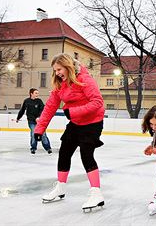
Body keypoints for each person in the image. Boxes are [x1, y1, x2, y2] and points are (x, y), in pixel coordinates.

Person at [34, 53, 105, 212]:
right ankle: (60, 188)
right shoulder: (60, 85)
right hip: (75, 122)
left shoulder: (85, 80)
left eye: (59, 69)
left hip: (93, 122)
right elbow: (50, 107)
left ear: (68, 66)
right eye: (55, 70)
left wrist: (73, 112)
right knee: (64, 152)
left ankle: (96, 193)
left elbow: (97, 103)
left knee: (86, 155)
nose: (57, 73)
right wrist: (40, 129)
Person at [16, 88, 52, 154]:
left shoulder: (39, 101)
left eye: (38, 93)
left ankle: (48, 148)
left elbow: (42, 110)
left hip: (40, 121)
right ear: (31, 93)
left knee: (43, 134)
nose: (37, 94)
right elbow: (22, 110)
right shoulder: (27, 101)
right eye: (36, 93)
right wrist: (18, 118)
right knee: (33, 134)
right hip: (31, 121)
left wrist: (39, 117)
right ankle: (33, 148)